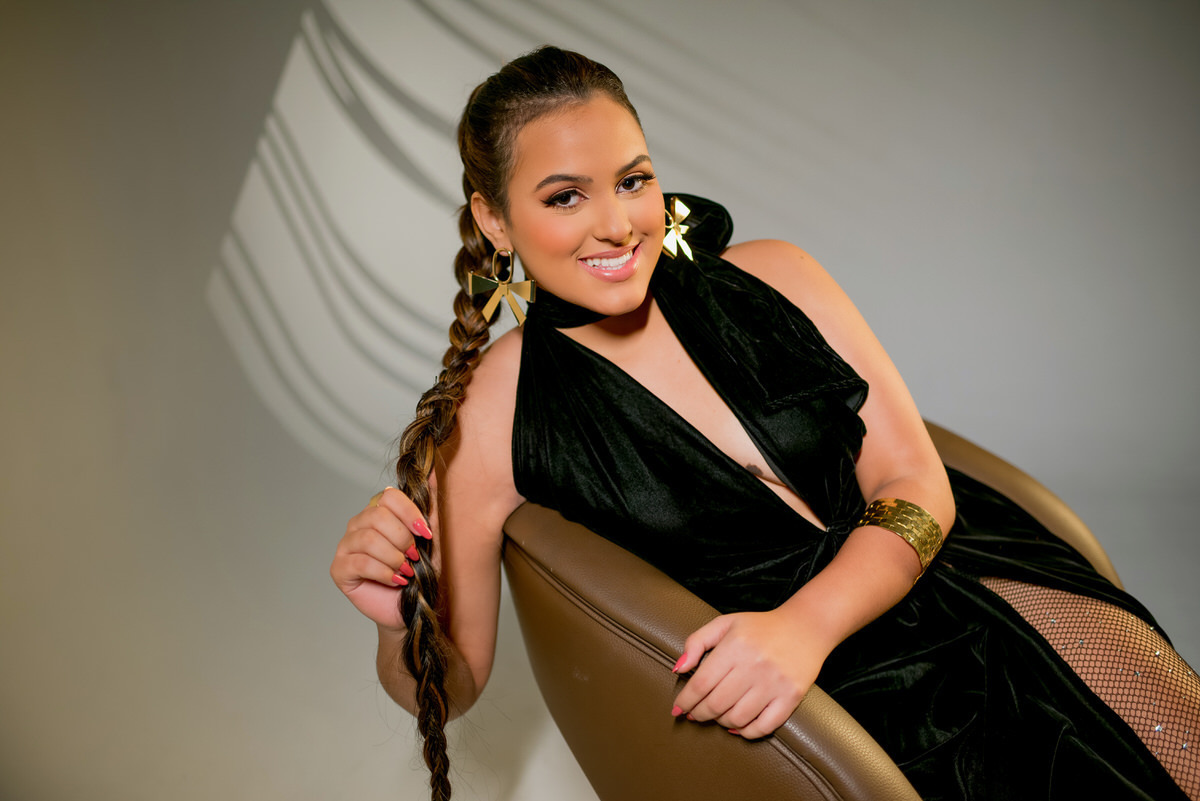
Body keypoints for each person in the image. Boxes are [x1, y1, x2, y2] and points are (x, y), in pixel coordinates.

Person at [330, 46, 1198, 801]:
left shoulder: (780, 274)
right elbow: (457, 683)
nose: (617, 224)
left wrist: (804, 625)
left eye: (634, 180)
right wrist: (394, 621)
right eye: (565, 197)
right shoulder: (490, 413)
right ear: (493, 217)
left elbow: (917, 483)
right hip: (839, 701)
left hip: (968, 577)